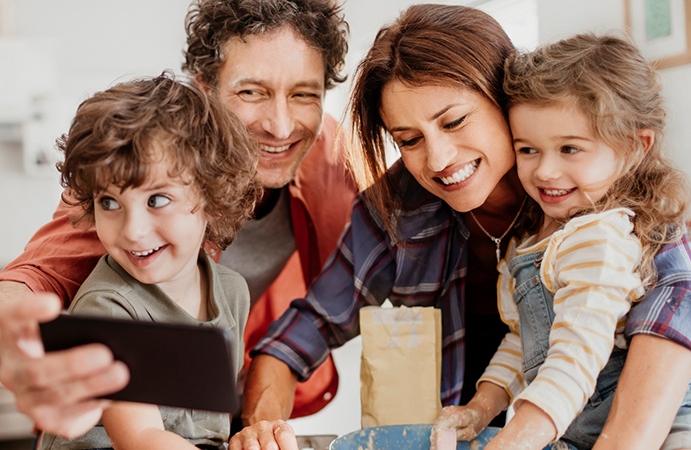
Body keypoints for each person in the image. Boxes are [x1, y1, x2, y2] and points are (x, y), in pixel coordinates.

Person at [231, 5, 691, 450]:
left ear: (506, 100)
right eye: (409, 140)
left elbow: (647, 340)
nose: (438, 160)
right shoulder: (398, 207)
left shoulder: (605, 206)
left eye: (454, 122)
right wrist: (262, 430)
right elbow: (305, 329)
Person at [0, 0, 357, 439]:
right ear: (204, 87)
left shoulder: (333, 161)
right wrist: (17, 351)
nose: (281, 126)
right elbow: (23, 286)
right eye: (251, 92)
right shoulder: (142, 167)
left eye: (304, 94)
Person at [433, 33, 691, 450]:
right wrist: (481, 407)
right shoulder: (539, 238)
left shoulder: (602, 237)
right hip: (573, 429)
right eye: (529, 149)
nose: (545, 171)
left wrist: (520, 436)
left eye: (570, 148)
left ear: (634, 147)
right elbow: (523, 342)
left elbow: (577, 351)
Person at [36, 72, 262, 450]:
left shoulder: (232, 292)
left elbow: (209, 427)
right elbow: (141, 438)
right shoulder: (107, 308)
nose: (133, 231)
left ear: (212, 194)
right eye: (109, 203)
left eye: (156, 200)